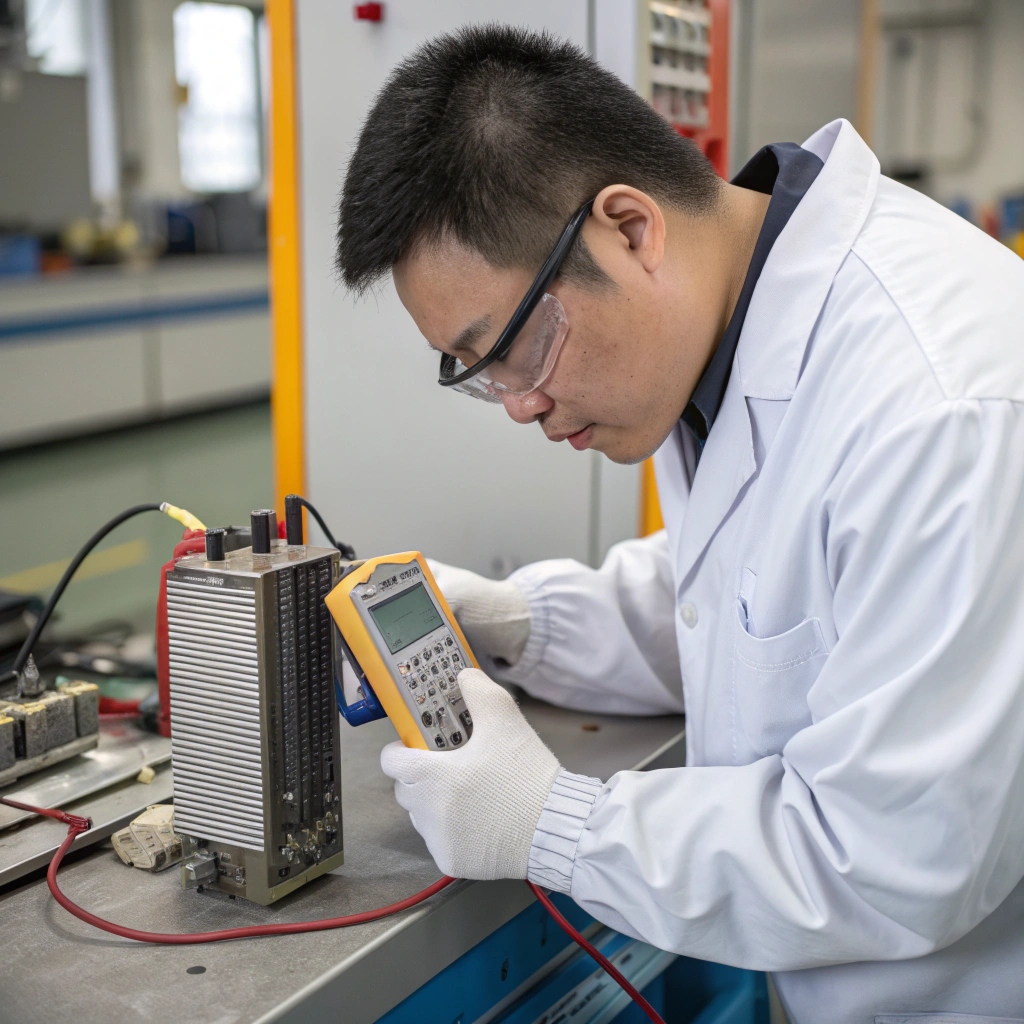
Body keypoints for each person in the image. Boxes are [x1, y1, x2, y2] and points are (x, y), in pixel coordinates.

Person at [335, 26, 1024, 1024]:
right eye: (478, 378)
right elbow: (755, 604)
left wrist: (554, 823)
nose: (521, 405)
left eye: (514, 349)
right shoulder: (731, 327)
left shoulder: (941, 407)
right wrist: (524, 621)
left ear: (628, 227)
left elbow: (895, 855)